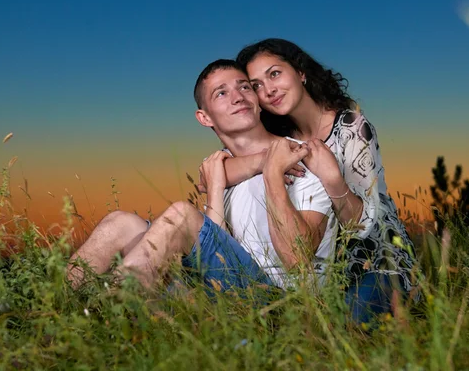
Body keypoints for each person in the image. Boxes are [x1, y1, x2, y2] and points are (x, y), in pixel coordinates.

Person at [67, 59, 336, 293]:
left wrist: (271, 171)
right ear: (204, 118)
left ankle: (110, 307)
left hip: (277, 301)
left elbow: (298, 262)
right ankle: (52, 308)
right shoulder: (219, 167)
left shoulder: (301, 158)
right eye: (221, 93)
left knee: (182, 216)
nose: (238, 96)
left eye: (244, 86)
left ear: (257, 100)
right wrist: (217, 186)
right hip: (224, 289)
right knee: (120, 223)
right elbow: (216, 250)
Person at [208, 38, 419, 323]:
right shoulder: (278, 137)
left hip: (375, 260)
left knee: (350, 323)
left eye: (275, 74)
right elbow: (210, 173)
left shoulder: (351, 127)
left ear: (301, 72)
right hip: (318, 272)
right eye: (256, 85)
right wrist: (263, 163)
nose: (268, 90)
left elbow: (362, 225)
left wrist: (332, 178)